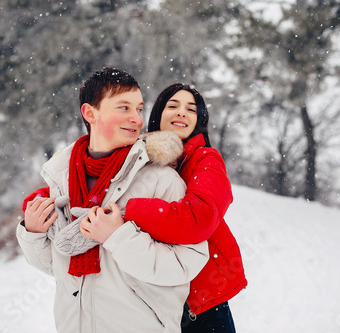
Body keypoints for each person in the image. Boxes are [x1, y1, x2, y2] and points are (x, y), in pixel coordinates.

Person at [16, 67, 209, 333]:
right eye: (124, 107)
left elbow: (184, 265)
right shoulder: (62, 180)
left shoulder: (161, 181)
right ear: (90, 113)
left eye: (139, 109)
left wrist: (118, 237)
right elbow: (61, 266)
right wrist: (34, 234)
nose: (136, 119)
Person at [94, 83, 247, 332]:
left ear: (198, 120)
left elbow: (200, 219)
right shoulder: (135, 157)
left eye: (190, 109)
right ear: (158, 114)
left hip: (199, 301)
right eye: (172, 106)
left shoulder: (206, 159)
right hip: (147, 294)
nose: (181, 113)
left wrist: (127, 212)